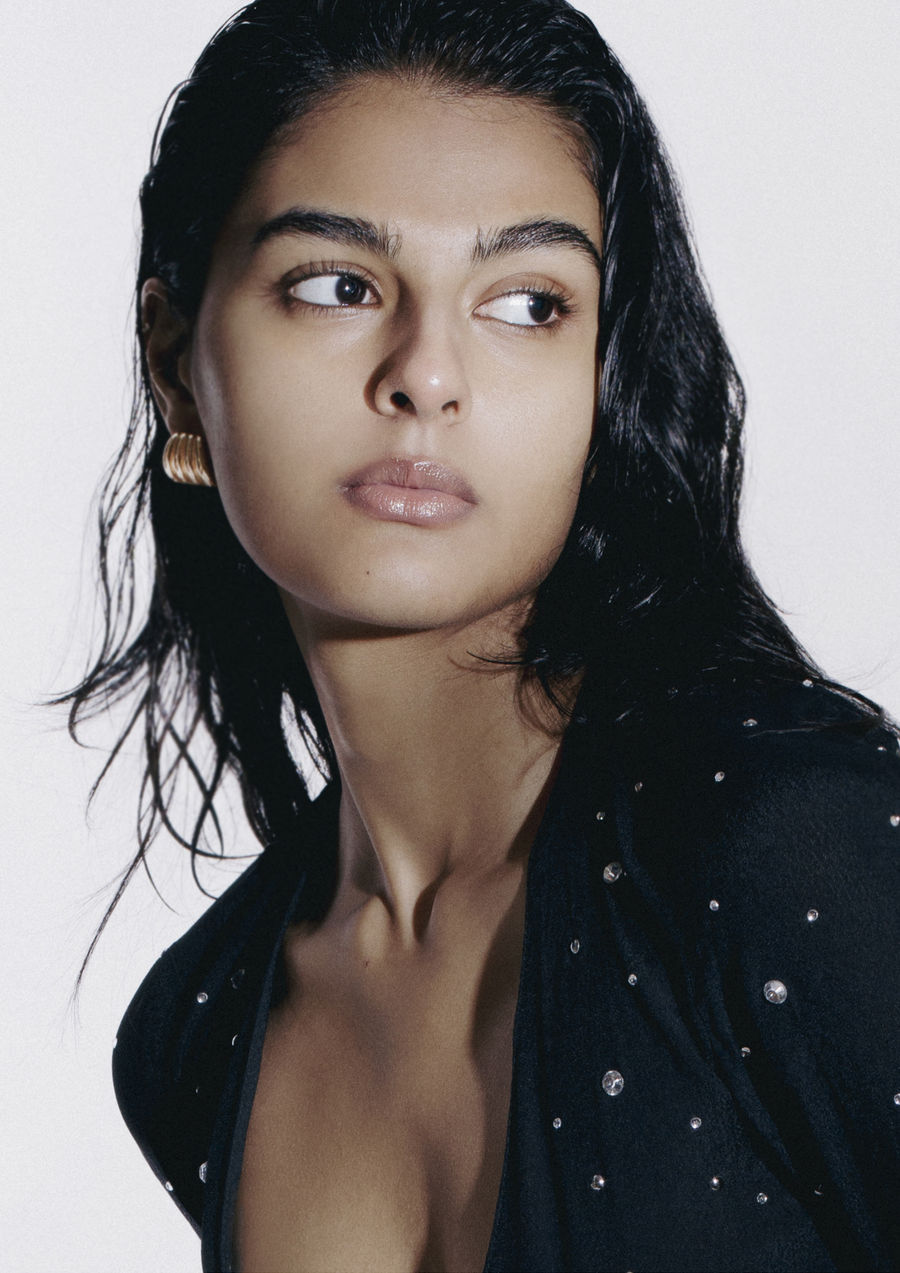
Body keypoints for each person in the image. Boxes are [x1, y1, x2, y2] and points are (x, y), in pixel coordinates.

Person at [65, 0, 900, 1269]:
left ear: (606, 374)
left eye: (527, 304)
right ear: (177, 358)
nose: (428, 373)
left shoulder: (784, 845)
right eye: (338, 286)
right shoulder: (200, 1031)